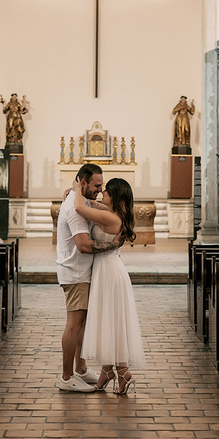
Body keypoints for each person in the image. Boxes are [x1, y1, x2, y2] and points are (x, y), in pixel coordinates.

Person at [75, 177, 146, 395]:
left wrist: (77, 188)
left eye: (105, 191)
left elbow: (79, 206)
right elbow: (90, 204)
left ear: (114, 196)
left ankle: (122, 371)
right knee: (110, 321)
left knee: (111, 321)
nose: (101, 193)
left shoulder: (111, 218)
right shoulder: (113, 214)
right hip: (107, 270)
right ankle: (110, 371)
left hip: (109, 272)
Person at [56, 163, 120, 392]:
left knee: (81, 324)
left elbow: (94, 206)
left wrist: (74, 193)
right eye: (96, 185)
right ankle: (66, 377)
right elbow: (83, 245)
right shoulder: (75, 208)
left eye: (102, 186)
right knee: (74, 325)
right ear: (83, 182)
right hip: (74, 273)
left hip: (82, 272)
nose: (99, 190)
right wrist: (112, 246)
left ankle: (81, 369)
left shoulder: (80, 201)